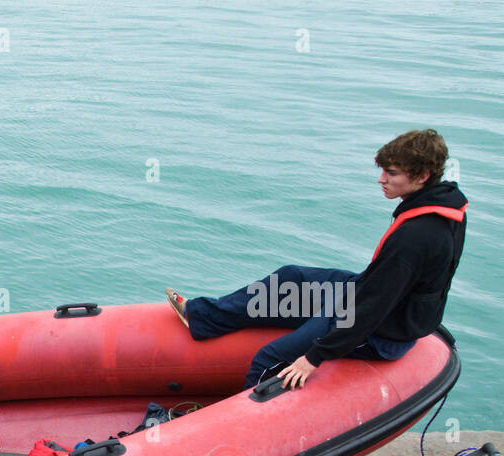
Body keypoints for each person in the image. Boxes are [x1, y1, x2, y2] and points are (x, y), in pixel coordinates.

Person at [166, 129, 467, 390]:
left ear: (422, 176)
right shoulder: (443, 206)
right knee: (291, 278)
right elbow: (388, 286)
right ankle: (203, 318)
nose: (381, 179)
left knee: (268, 360)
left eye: (391, 173)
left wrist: (314, 357)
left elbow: (372, 308)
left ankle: (245, 431)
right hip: (370, 294)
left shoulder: (416, 237)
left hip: (383, 331)